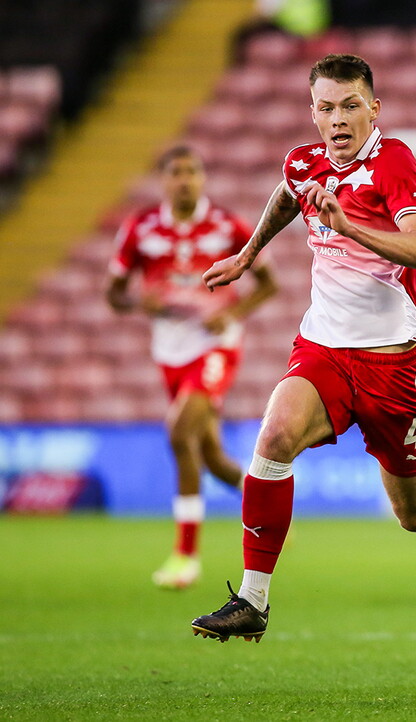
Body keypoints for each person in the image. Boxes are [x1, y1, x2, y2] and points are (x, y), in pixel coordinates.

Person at [190, 54, 416, 644]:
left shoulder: (393, 163)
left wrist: (347, 225)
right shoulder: (304, 160)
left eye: (350, 106)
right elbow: (289, 195)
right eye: (325, 107)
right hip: (324, 349)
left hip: (393, 361)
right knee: (273, 440)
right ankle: (253, 601)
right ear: (312, 111)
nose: (337, 119)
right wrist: (248, 254)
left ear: (374, 109)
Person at [106, 145, 278, 589]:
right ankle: (267, 505)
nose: (185, 180)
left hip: (215, 344)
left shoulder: (226, 225)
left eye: (193, 172)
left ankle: (186, 556)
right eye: (176, 173)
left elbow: (269, 285)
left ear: (202, 178)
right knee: (210, 455)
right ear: (163, 179)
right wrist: (134, 301)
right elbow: (114, 294)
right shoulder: (140, 228)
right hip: (169, 350)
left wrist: (232, 314)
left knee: (180, 431)